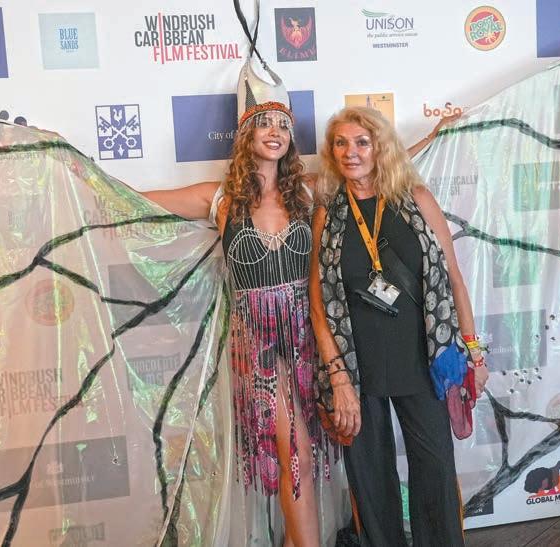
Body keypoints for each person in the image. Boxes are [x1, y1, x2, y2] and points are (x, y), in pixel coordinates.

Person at [142, 62, 332, 547]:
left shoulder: (308, 191)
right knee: (296, 456)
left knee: (304, 460)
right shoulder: (220, 199)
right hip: (258, 347)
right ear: (246, 133)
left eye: (283, 124)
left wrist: (437, 133)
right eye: (264, 123)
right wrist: (74, 168)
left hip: (308, 340)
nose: (275, 132)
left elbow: (379, 168)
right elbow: (132, 199)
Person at [309, 106, 489, 546]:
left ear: (381, 148)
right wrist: (338, 377)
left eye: (362, 142)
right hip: (357, 370)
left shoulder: (417, 199)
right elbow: (317, 302)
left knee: (435, 471)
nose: (351, 152)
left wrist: (474, 351)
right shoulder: (327, 213)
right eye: (340, 143)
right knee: (370, 482)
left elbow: (454, 278)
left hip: (421, 359)